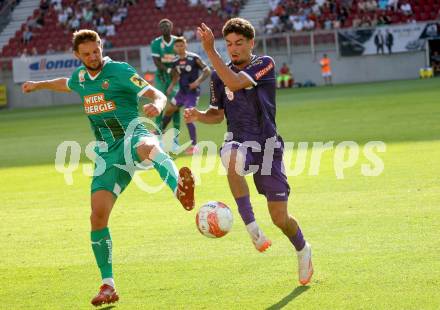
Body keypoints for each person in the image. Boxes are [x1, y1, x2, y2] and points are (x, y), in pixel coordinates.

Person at [21, 29, 195, 307]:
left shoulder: (119, 70)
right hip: (107, 153)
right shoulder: (80, 77)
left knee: (150, 148)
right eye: (87, 53)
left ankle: (180, 190)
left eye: (96, 50)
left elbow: (154, 92)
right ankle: (108, 285)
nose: (93, 56)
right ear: (77, 55)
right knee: (97, 216)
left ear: (102, 47)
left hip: (133, 133)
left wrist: (157, 104)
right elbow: (64, 83)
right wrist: (38, 85)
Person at [184, 18, 313, 286]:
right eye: (229, 43)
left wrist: (210, 51)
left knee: (280, 218)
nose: (233, 48)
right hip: (239, 141)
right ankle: (251, 226)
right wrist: (198, 115)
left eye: (239, 43)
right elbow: (217, 115)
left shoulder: (264, 63)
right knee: (230, 156)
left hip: (267, 147)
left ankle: (303, 249)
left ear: (251, 43)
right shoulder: (219, 74)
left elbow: (234, 83)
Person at [161, 36, 211, 155]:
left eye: (181, 45)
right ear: (174, 47)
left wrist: (197, 82)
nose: (179, 47)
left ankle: (194, 146)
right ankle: (160, 131)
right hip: (181, 92)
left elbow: (207, 70)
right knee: (169, 110)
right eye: (177, 46)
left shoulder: (194, 58)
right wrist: (171, 86)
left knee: (188, 115)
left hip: (192, 93)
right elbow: (175, 76)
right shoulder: (175, 61)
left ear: (186, 45)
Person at [150, 19, 181, 151]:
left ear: (171, 26)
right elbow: (156, 61)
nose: (165, 28)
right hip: (162, 76)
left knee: (176, 104)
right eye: (162, 26)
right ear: (159, 29)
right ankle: (159, 136)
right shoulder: (156, 43)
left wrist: (175, 72)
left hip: (176, 76)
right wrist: (168, 69)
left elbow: (181, 59)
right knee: (159, 102)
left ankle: (175, 138)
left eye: (167, 25)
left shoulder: (177, 41)